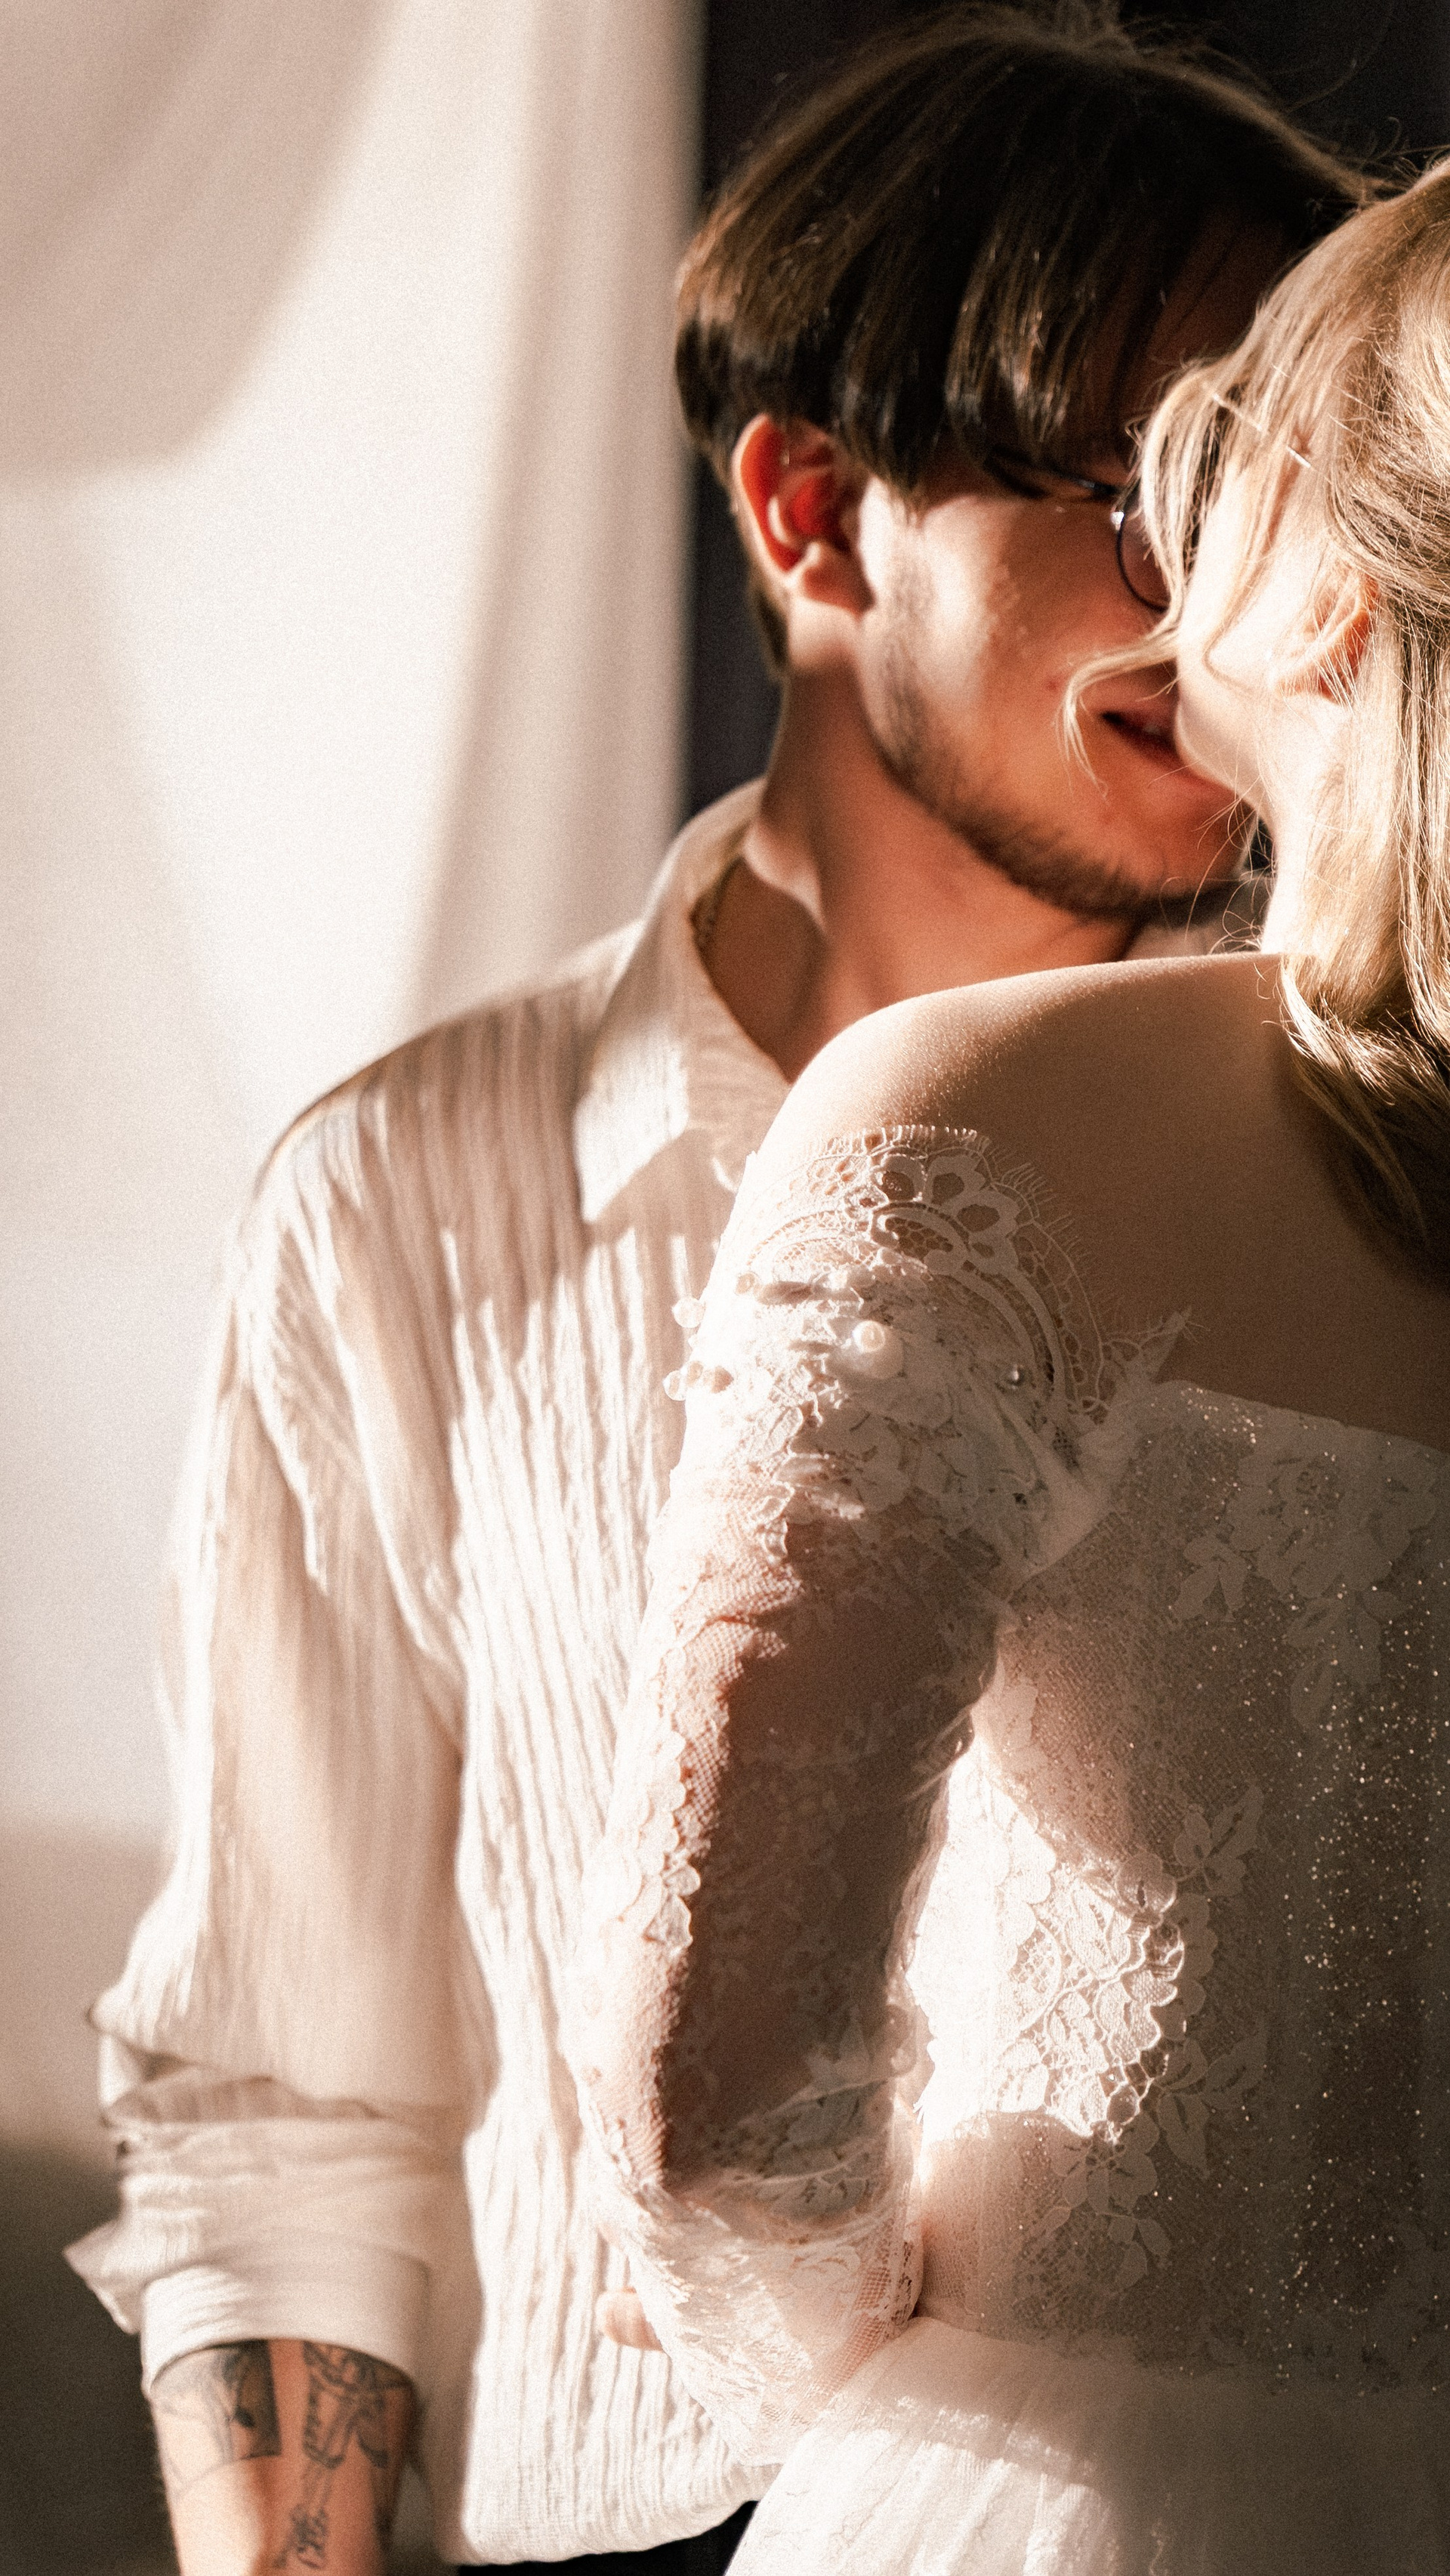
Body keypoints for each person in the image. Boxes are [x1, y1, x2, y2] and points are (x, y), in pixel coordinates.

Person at [66, 11, 1362, 2571]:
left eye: (1275, 508)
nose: (1228, 608)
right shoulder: (402, 1197)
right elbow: (288, 2111)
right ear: (812, 511)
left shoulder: (1347, 1151)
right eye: (1145, 495)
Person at [571, 148, 1450, 2576]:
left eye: (1205, 459)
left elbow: (714, 2100)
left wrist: (918, 2403)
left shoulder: (984, 1119)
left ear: (1333, 583)